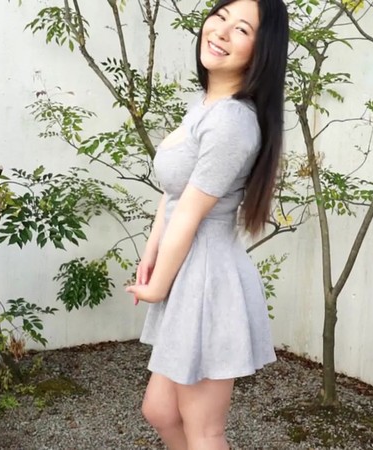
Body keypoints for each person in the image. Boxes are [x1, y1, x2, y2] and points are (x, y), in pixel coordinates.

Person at [124, 0, 289, 448]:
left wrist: (158, 284)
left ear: (261, 51)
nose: (221, 31)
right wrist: (151, 255)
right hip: (186, 270)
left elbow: (192, 212)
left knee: (204, 430)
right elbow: (174, 192)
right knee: (160, 410)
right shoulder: (204, 105)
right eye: (220, 17)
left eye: (242, 30)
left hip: (207, 282)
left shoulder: (232, 121)